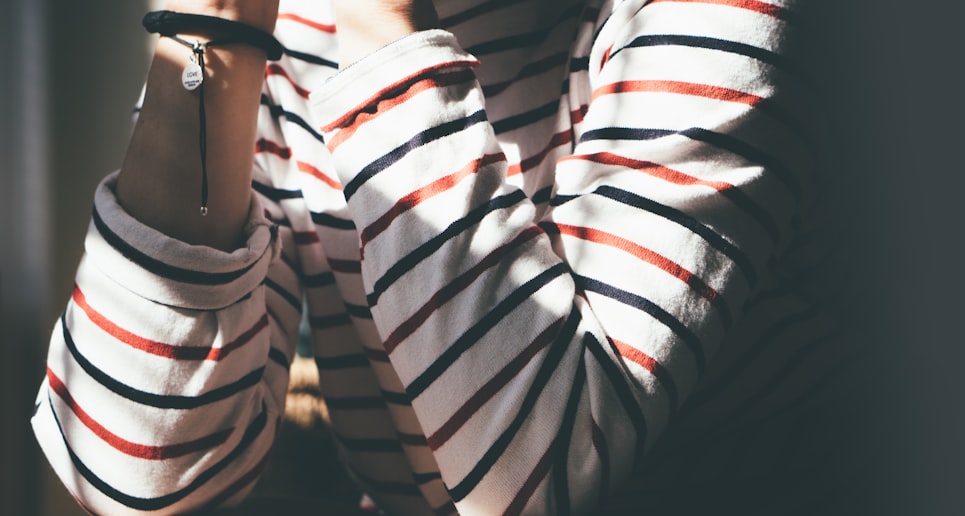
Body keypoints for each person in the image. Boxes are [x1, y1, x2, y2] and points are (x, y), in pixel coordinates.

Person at [32, 0, 851, 514]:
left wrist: (378, 26)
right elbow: (131, 473)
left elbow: (530, 480)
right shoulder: (290, 28)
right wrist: (212, 22)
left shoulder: (722, 16)